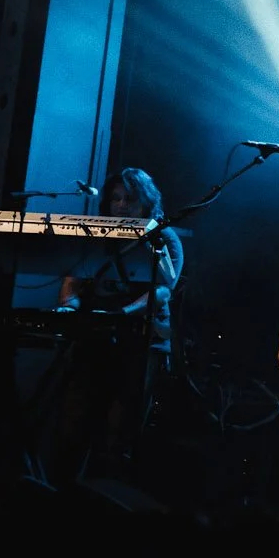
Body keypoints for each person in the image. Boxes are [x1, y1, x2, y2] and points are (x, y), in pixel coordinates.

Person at [47, 166, 183, 481]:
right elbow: (74, 278)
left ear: (146, 203)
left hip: (140, 341)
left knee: (117, 430)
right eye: (116, 199)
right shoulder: (97, 235)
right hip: (94, 340)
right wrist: (69, 307)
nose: (120, 206)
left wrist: (120, 315)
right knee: (72, 424)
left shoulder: (164, 237)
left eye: (129, 200)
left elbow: (163, 289)